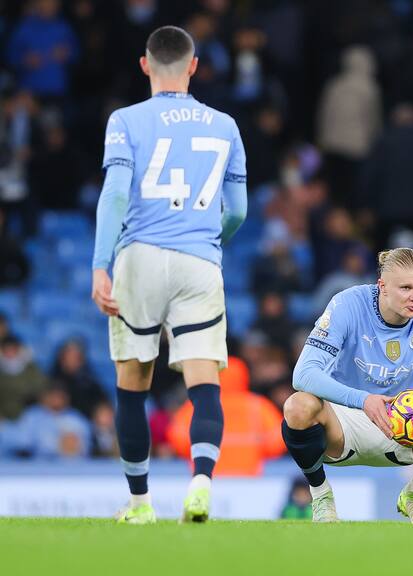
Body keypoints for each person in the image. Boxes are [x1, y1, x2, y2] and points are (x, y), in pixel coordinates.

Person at [90, 26, 247, 524]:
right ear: (194, 66)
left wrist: (100, 265)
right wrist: (210, 239)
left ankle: (140, 505)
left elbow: (115, 194)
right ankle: (200, 483)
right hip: (199, 260)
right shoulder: (225, 125)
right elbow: (238, 210)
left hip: (139, 256)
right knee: (205, 383)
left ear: (145, 65)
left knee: (132, 380)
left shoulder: (125, 120)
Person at [282, 247, 413, 524]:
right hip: (344, 422)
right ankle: (321, 496)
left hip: (407, 424)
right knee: (297, 406)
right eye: (406, 287)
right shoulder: (348, 304)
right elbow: (304, 374)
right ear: (382, 286)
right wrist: (364, 399)